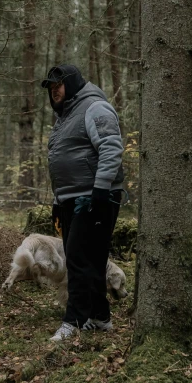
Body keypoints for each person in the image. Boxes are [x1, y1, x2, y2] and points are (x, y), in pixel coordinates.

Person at [41, 64, 125, 342]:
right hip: (71, 198)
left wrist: (100, 190)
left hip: (94, 196)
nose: (54, 91)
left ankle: (73, 321)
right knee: (92, 259)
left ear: (73, 84)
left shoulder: (94, 107)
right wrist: (57, 200)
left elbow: (111, 146)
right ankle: (100, 317)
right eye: (51, 88)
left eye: (59, 85)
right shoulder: (65, 116)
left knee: (77, 258)